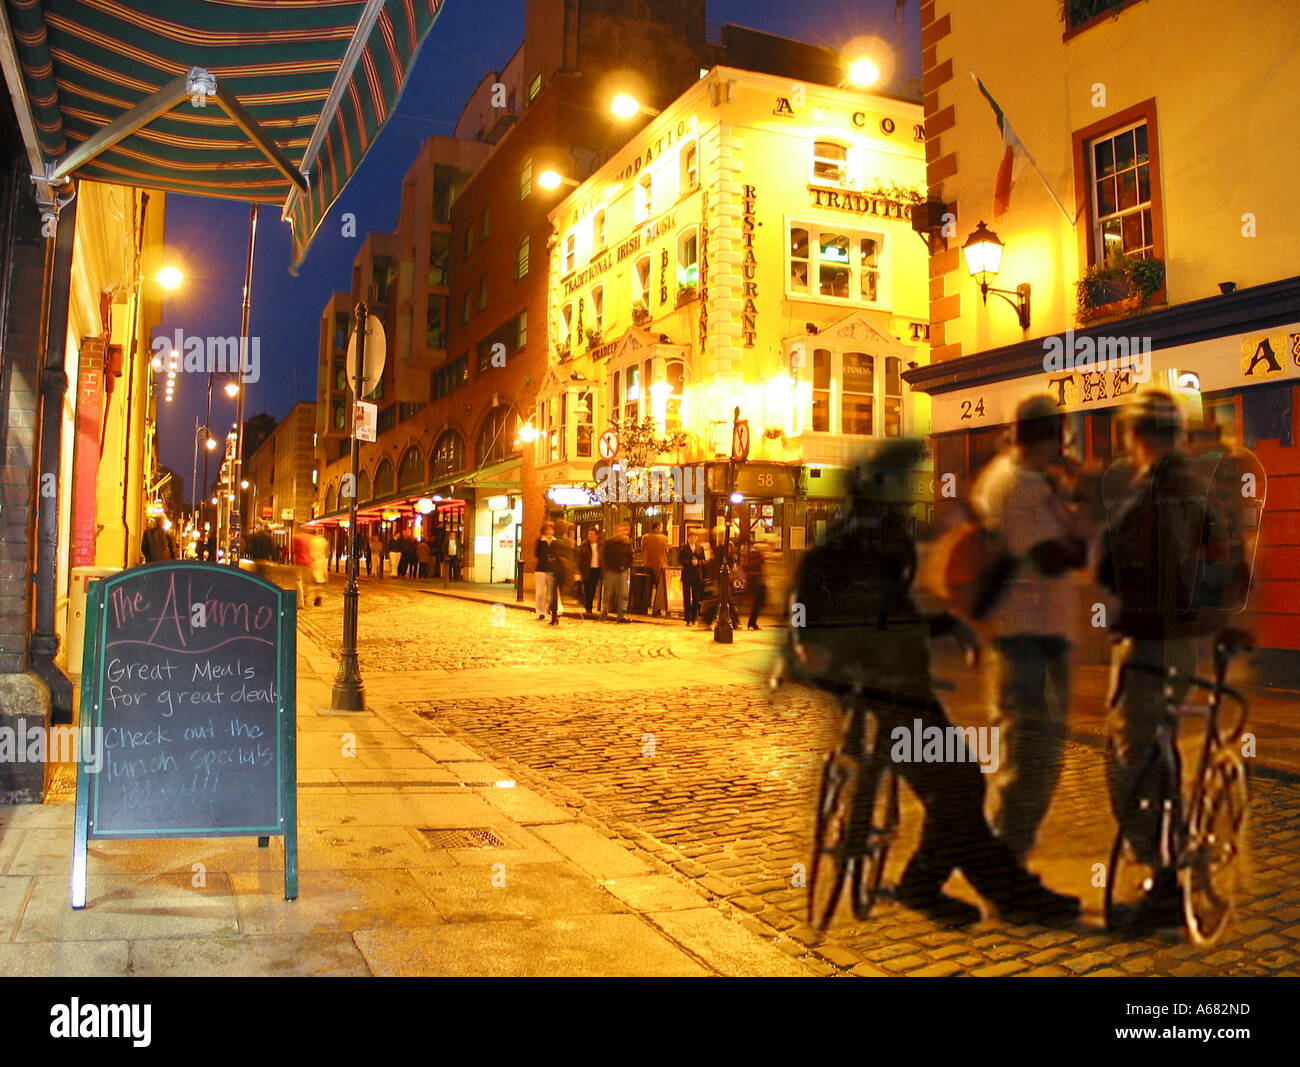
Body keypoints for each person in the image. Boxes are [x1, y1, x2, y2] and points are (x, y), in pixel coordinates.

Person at [782, 439, 1079, 925]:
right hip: (889, 689)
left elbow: (871, 609)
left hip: (881, 683)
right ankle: (981, 891)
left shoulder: (856, 545)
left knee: (955, 789)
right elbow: (854, 612)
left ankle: (979, 890)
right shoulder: (862, 547)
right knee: (958, 786)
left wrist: (945, 626)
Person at [1097, 390, 1212, 926]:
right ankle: (1180, 844)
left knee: (1128, 759)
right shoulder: (1194, 487)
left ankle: (1162, 877)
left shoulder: (1150, 491)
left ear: (1138, 436)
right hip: (1183, 640)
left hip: (1148, 639)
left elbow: (1108, 564)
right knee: (1159, 750)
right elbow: (1224, 554)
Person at [968, 394, 1092, 861]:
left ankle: (1006, 847)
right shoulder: (1018, 485)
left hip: (1037, 631)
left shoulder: (1022, 476)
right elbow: (1058, 556)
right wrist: (1077, 501)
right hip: (1028, 637)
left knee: (1030, 745)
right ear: (1049, 439)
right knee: (1033, 750)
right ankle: (1005, 853)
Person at [601, 522, 633, 623]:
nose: (624, 532)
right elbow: (604, 556)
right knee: (608, 593)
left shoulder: (627, 543)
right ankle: (604, 612)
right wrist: (606, 569)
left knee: (623, 594)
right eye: (622, 530)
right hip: (611, 570)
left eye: (626, 530)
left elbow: (629, 557)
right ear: (616, 531)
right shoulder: (609, 542)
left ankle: (621, 616)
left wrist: (626, 566)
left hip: (623, 571)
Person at [641, 521, 670, 617]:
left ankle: (644, 608)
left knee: (647, 588)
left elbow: (643, 549)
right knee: (659, 590)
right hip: (660, 566)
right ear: (657, 528)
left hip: (647, 564)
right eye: (661, 527)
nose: (662, 529)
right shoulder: (664, 538)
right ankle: (656, 609)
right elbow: (666, 550)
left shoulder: (645, 537)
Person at [680, 530, 707, 626]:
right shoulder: (684, 547)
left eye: (694, 537)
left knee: (696, 596)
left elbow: (703, 560)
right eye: (690, 537)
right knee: (686, 596)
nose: (692, 538)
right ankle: (688, 617)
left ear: (696, 538)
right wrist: (689, 562)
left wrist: (698, 562)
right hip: (687, 574)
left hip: (697, 575)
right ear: (688, 538)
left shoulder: (700, 548)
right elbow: (681, 560)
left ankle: (694, 616)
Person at [551, 519, 576, 621]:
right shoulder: (565, 542)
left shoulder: (556, 542)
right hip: (561, 569)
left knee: (555, 593)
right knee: (556, 592)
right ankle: (555, 613)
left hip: (559, 570)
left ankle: (555, 613)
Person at [743, 538, 768, 630]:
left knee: (757, 604)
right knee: (758, 603)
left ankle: (752, 622)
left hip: (756, 582)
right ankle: (752, 622)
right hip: (757, 582)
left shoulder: (755, 554)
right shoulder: (757, 554)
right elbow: (755, 568)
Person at [534, 522, 557, 622]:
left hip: (552, 569)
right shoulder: (540, 541)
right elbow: (537, 554)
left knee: (554, 592)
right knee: (540, 592)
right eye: (547, 529)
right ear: (543, 530)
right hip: (541, 569)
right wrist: (547, 558)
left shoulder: (555, 541)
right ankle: (540, 611)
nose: (549, 531)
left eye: (551, 529)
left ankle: (555, 610)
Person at [578, 527, 603, 618]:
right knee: (587, 588)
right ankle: (588, 608)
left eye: (592, 534)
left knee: (592, 589)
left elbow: (602, 558)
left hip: (596, 569)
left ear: (597, 535)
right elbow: (579, 557)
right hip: (587, 569)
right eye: (589, 534)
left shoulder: (600, 545)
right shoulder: (584, 545)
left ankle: (589, 606)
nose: (590, 536)